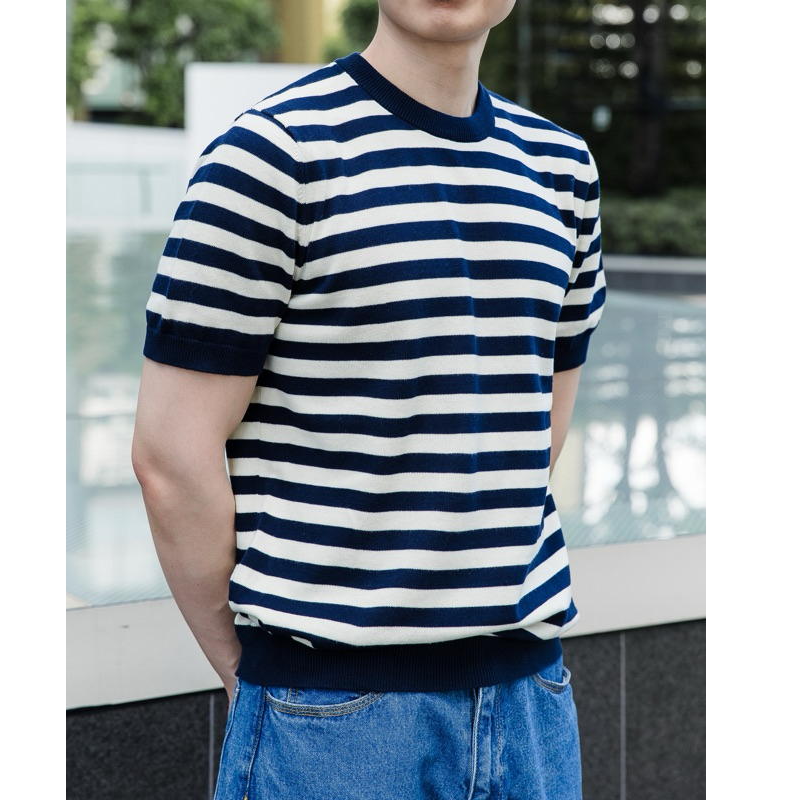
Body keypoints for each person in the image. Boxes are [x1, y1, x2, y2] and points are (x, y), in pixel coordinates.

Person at [132, 1, 606, 797]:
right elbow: (171, 457)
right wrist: (251, 671)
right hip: (331, 714)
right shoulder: (271, 153)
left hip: (530, 701)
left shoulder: (562, 167)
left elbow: (535, 432)